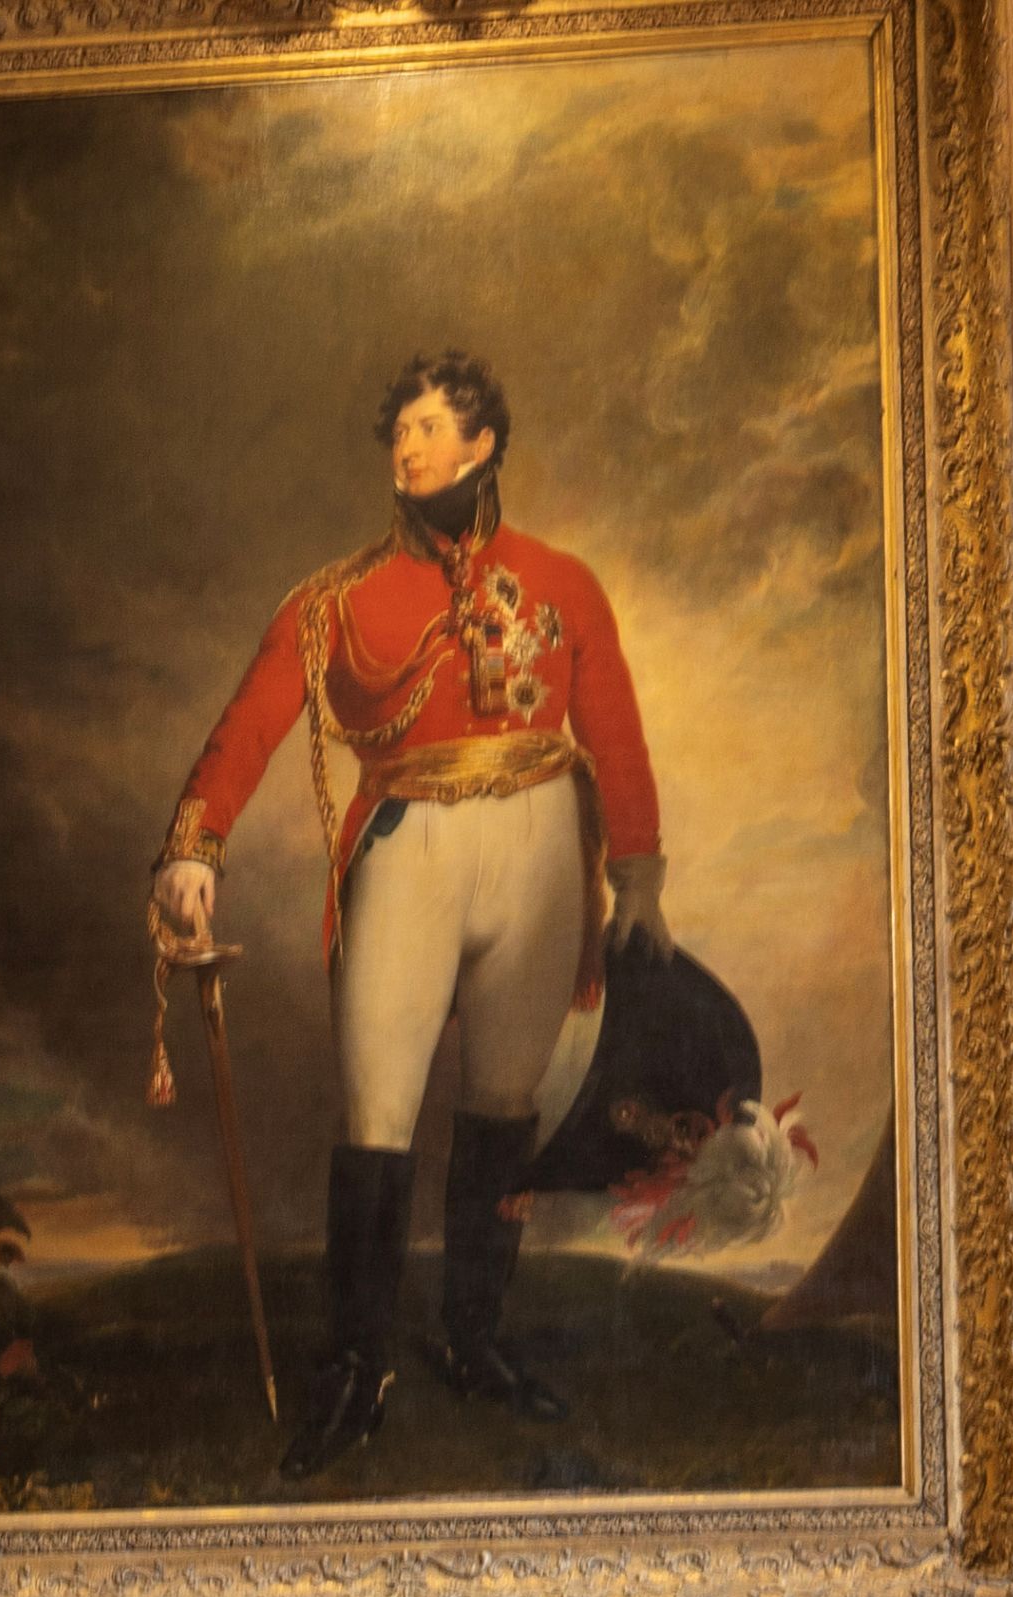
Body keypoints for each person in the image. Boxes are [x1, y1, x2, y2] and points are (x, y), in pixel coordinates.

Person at [150, 351, 660, 1477]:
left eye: (432, 427)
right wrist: (194, 846)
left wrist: (643, 875)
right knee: (376, 1115)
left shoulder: (564, 583)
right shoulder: (334, 601)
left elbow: (613, 727)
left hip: (538, 857)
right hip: (407, 853)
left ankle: (474, 1341)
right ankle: (357, 1371)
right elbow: (250, 724)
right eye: (402, 432)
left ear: (482, 447)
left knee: (504, 1105)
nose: (410, 447)